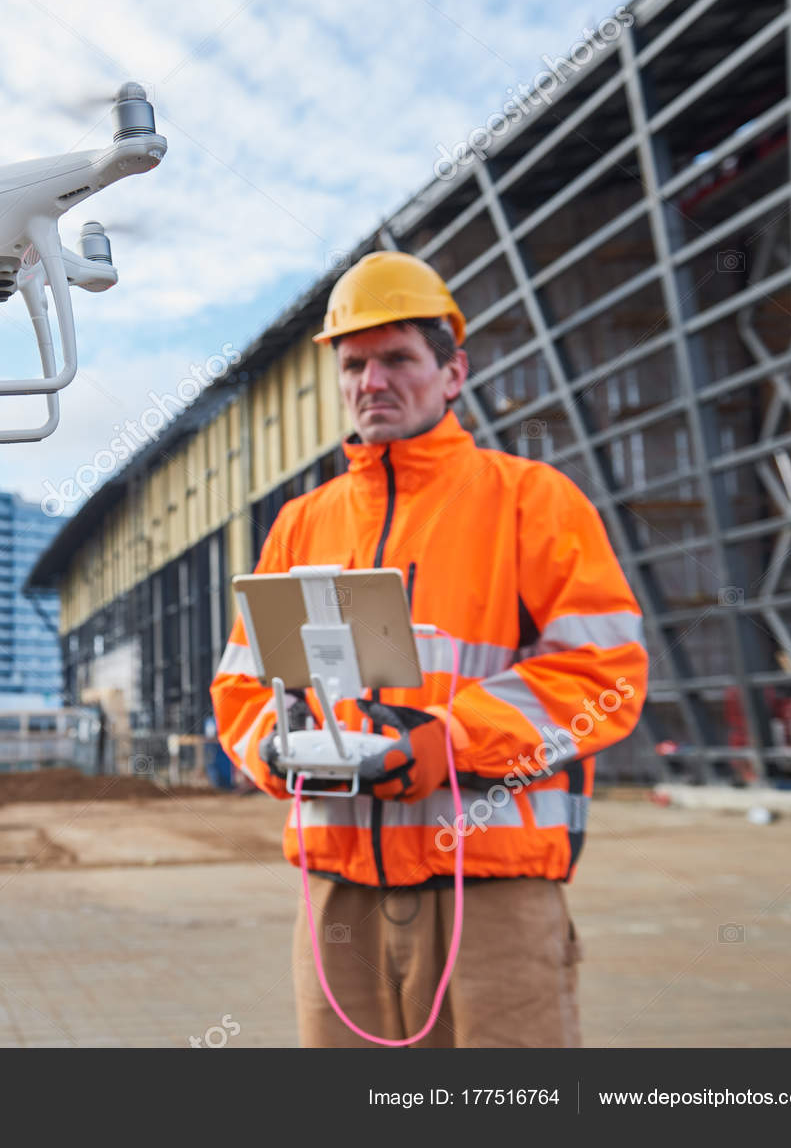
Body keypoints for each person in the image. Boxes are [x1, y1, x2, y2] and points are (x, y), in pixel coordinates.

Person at [210, 251, 648, 1048]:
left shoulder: (532, 501)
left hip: (491, 887)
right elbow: (243, 687)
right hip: (338, 889)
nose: (372, 381)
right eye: (354, 364)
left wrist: (452, 742)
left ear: (453, 374)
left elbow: (604, 675)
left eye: (398, 359)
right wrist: (272, 751)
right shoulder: (299, 524)